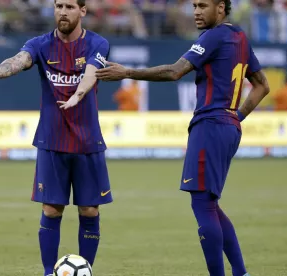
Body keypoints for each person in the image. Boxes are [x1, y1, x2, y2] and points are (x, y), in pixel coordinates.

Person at [96, 0, 270, 275]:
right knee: (210, 203)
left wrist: (127, 72)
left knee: (201, 204)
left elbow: (174, 71)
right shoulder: (239, 36)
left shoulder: (212, 37)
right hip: (227, 126)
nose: (197, 11)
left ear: (221, 8)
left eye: (203, 5)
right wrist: (237, 117)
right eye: (194, 5)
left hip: (210, 126)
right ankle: (240, 272)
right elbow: (262, 85)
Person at [0, 1, 112, 275]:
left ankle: (86, 270)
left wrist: (77, 95)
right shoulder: (40, 44)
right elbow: (18, 61)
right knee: (52, 209)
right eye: (58, 5)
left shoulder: (97, 43)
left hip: (87, 140)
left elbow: (91, 73)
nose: (63, 11)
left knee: (90, 211)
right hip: (52, 140)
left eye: (69, 6)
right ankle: (48, 272)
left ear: (82, 11)